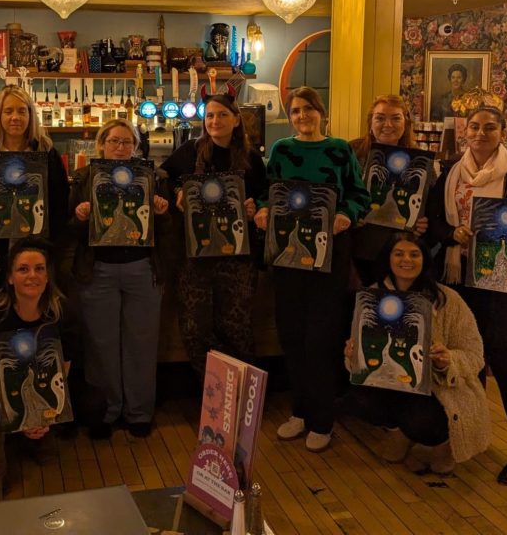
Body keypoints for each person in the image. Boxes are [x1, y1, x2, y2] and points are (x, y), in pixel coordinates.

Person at [254, 86, 370, 452]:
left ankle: (323, 419)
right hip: (287, 252)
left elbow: (359, 196)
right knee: (291, 334)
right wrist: (262, 210)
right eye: (295, 111)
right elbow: (268, 192)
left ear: (321, 112)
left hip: (328, 253)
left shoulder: (339, 150)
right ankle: (300, 411)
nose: (302, 116)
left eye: (308, 109)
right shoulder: (281, 150)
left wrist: (345, 215)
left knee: (320, 337)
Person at [343, 233, 490, 473]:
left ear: (425, 259)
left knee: (423, 422)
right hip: (390, 381)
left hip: (437, 387)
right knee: (360, 398)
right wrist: (352, 355)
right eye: (398, 254)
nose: (406, 260)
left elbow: (475, 354)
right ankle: (398, 432)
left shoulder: (446, 299)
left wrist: (448, 360)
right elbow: (360, 353)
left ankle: (442, 443)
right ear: (388, 258)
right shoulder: (372, 298)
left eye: (414, 254)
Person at [69, 119, 171, 439]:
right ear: (101, 145)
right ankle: (105, 412)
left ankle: (139, 413)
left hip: (142, 267)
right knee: (101, 345)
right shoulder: (84, 177)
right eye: (114, 141)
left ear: (136, 148)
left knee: (142, 343)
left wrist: (162, 212)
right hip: (98, 269)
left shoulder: (153, 177)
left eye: (127, 142)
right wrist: (80, 216)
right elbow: (68, 229)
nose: (120, 147)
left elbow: (168, 230)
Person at [426, 104, 507, 483]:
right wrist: (451, 234)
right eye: (474, 126)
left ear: (502, 132)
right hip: (457, 276)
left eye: (489, 127)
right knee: (468, 358)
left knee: (502, 357)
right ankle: (475, 432)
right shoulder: (450, 173)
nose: (480, 133)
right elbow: (433, 221)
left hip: (498, 282)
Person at [161, 87, 267, 380]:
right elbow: (162, 178)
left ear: (236, 119)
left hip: (238, 256)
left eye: (222, 115)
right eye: (210, 116)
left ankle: (245, 391)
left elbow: (265, 197)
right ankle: (217, 390)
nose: (215, 121)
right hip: (195, 256)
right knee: (194, 329)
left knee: (236, 327)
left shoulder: (252, 158)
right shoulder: (190, 151)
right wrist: (178, 192)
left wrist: (255, 207)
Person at [0, 85, 69, 335]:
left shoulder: (46, 153)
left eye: (21, 111)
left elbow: (61, 206)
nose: (15, 117)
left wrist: (49, 248)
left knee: (36, 316)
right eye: (8, 111)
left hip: (35, 256)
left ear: (31, 115)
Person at [0, 237, 79, 482]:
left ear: (47, 277)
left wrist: (45, 411)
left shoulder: (62, 312)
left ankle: (42, 434)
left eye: (39, 269)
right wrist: (19, 407)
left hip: (44, 387)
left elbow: (65, 362)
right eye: (23, 269)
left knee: (92, 402)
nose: (32, 276)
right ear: (9, 277)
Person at [350, 94, 427, 284]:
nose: (388, 124)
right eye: (380, 118)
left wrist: (423, 222)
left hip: (400, 252)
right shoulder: (351, 151)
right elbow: (340, 195)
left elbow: (428, 206)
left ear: (405, 123)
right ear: (370, 122)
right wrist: (350, 213)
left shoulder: (419, 160)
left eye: (395, 118)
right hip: (358, 247)